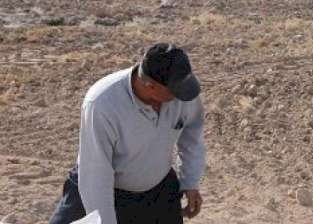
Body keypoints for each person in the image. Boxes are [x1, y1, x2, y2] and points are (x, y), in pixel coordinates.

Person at [49, 43, 206, 224]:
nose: (182, 96)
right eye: (174, 91)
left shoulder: (181, 90)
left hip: (156, 189)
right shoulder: (102, 103)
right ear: (150, 86)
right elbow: (96, 173)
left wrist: (191, 181)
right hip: (101, 186)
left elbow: (192, 136)